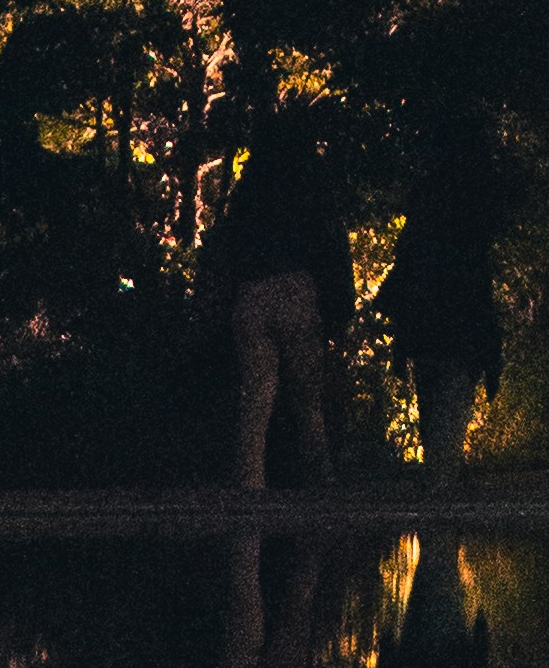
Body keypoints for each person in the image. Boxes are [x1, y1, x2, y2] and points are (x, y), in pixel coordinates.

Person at [205, 101, 354, 492]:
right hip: (296, 289)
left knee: (257, 395)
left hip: (252, 291)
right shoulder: (311, 177)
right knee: (307, 395)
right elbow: (331, 240)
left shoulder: (252, 182)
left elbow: (230, 241)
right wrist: (341, 300)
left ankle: (250, 482)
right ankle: (319, 479)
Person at [380, 114, 506, 484]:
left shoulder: (427, 200)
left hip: (428, 327)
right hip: (459, 329)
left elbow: (408, 266)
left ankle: (437, 507)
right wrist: (491, 355)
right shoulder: (474, 208)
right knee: (448, 429)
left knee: (434, 421)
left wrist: (401, 347)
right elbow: (479, 284)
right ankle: (442, 508)